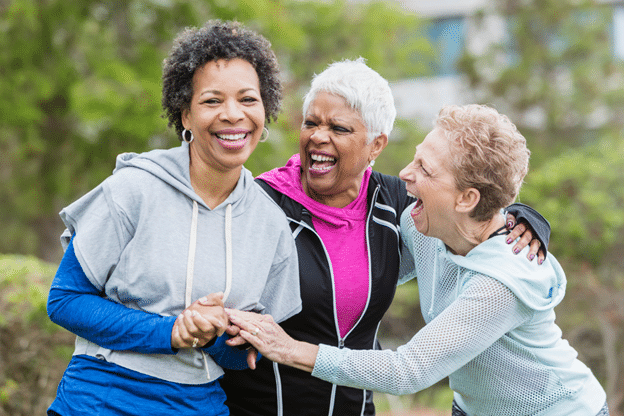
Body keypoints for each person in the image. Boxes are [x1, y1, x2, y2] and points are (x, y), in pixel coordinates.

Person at [225, 104, 609, 416]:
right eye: (415, 159)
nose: (404, 175)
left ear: (466, 199)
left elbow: (408, 370)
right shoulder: (428, 225)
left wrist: (288, 348)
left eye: (425, 169)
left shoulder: (502, 282)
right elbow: (363, 257)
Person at [46, 20, 301, 416]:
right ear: (184, 115)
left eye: (248, 99)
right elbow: (64, 300)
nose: (233, 115)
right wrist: (172, 331)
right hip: (99, 400)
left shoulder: (270, 224)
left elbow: (244, 358)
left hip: (198, 405)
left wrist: (214, 334)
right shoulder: (132, 190)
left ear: (265, 110)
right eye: (212, 101)